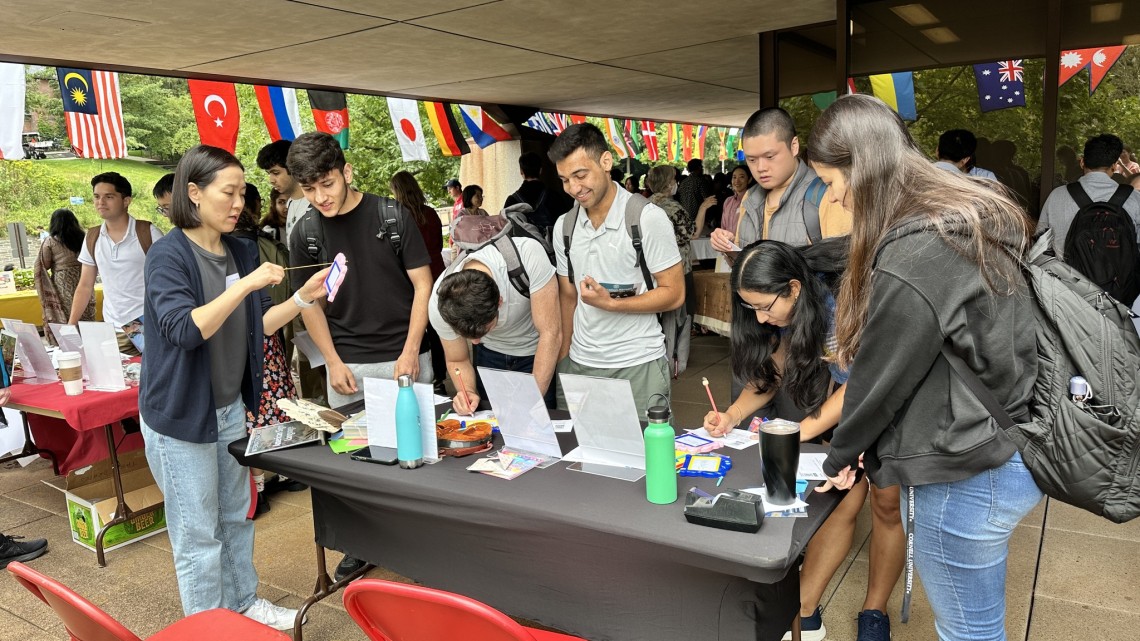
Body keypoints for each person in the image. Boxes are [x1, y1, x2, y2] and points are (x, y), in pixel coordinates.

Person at [810, 94, 1042, 641]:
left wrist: (840, 457)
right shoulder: (960, 218)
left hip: (969, 468)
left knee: (969, 631)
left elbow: (882, 374)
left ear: (862, 166)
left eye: (832, 178)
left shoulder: (917, 249)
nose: (834, 194)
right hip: (1003, 442)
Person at [139, 144, 330, 628]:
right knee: (198, 534)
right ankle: (208, 629)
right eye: (229, 192)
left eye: (243, 192)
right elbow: (184, 330)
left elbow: (257, 325)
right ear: (194, 193)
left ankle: (243, 604)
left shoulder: (241, 249)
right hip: (181, 416)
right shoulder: (168, 256)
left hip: (228, 408)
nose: (239, 202)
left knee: (236, 518)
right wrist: (242, 286)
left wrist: (304, 299)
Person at [702, 239, 903, 641]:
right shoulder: (794, 302)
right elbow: (775, 369)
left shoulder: (835, 307)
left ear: (793, 289)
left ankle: (874, 609)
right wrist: (733, 415)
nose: (759, 320)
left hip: (896, 390)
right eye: (750, 308)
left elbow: (858, 388)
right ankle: (804, 610)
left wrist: (799, 432)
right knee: (842, 497)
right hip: (852, 393)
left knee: (886, 501)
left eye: (764, 307)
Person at [287, 132, 434, 581]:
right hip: (346, 363)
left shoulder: (391, 216)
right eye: (309, 190)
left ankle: (425, 543)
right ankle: (361, 544)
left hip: (404, 356)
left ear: (346, 172)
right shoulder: (306, 231)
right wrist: (331, 361)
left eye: (326, 184)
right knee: (355, 462)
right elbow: (308, 302)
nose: (320, 197)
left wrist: (410, 350)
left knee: (417, 456)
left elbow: (423, 284)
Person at [550, 123, 684, 419]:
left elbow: (674, 294)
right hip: (580, 364)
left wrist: (612, 304)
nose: (574, 188)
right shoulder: (564, 227)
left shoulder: (646, 218)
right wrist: (564, 361)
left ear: (606, 162)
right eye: (565, 180)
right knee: (578, 460)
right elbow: (568, 298)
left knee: (648, 459)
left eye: (580, 175)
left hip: (638, 364)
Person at [429, 234, 561, 411]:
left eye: (483, 331)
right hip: (489, 356)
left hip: (535, 352)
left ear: (499, 301)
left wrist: (531, 402)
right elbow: (457, 359)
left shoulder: (527, 255)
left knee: (538, 423)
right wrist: (468, 391)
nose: (475, 342)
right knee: (494, 425)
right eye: (468, 337)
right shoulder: (440, 305)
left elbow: (551, 333)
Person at [231, 190, 296, 517]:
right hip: (267, 344)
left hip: (245, 346)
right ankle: (285, 472)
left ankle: (257, 490)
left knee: (253, 414)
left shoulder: (235, 247)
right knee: (275, 402)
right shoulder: (257, 240)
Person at [257, 140, 326, 403]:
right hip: (301, 300)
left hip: (322, 301)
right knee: (309, 367)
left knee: (326, 368)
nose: (271, 179)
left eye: (275, 172)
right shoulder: (294, 205)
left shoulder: (317, 203)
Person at [68, 172, 164, 354]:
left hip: (149, 325)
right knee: (119, 380)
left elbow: (167, 280)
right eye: (96, 196)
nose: (100, 202)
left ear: (126, 200)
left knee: (154, 378)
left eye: (109, 197)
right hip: (112, 327)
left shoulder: (148, 233)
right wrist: (71, 325)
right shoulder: (92, 236)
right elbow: (85, 285)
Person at [709, 108, 819, 253]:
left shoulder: (824, 195)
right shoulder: (749, 198)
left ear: (794, 146)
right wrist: (728, 246)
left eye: (769, 157)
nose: (760, 168)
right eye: (752, 159)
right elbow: (743, 265)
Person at [646, 165, 712, 376]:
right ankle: (677, 360)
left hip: (651, 270)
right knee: (682, 315)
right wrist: (702, 208)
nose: (677, 183)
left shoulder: (645, 206)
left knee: (659, 317)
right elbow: (692, 233)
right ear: (668, 183)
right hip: (678, 269)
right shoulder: (674, 209)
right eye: (674, 179)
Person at [390, 170, 447, 396]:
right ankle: (440, 377)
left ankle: (418, 374)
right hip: (437, 274)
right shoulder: (431, 214)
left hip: (409, 281)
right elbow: (439, 247)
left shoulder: (398, 217)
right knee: (437, 330)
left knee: (414, 330)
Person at [1038, 133, 1140, 258]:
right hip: (1120, 276)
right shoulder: (1134, 198)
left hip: (1065, 275)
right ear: (1114, 166)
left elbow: (1040, 243)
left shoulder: (1057, 196)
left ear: (1082, 162)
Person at [34, 209, 95, 333]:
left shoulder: (51, 241)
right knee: (85, 308)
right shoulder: (84, 238)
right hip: (83, 276)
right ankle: (89, 339)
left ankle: (69, 341)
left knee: (67, 312)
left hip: (63, 281)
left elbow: (44, 264)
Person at [504, 151, 562, 241]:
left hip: (525, 251)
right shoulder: (554, 196)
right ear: (540, 170)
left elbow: (506, 231)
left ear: (521, 172)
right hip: (552, 249)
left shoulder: (512, 201)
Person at [718, 165, 753, 235]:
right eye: (734, 177)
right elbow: (723, 227)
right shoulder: (728, 201)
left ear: (749, 180)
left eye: (741, 177)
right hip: (728, 244)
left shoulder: (753, 201)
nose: (737, 181)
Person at [678, 158, 711, 222]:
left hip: (684, 217)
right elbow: (707, 200)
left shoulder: (683, 182)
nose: (702, 169)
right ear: (699, 168)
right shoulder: (700, 181)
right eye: (702, 167)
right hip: (698, 217)